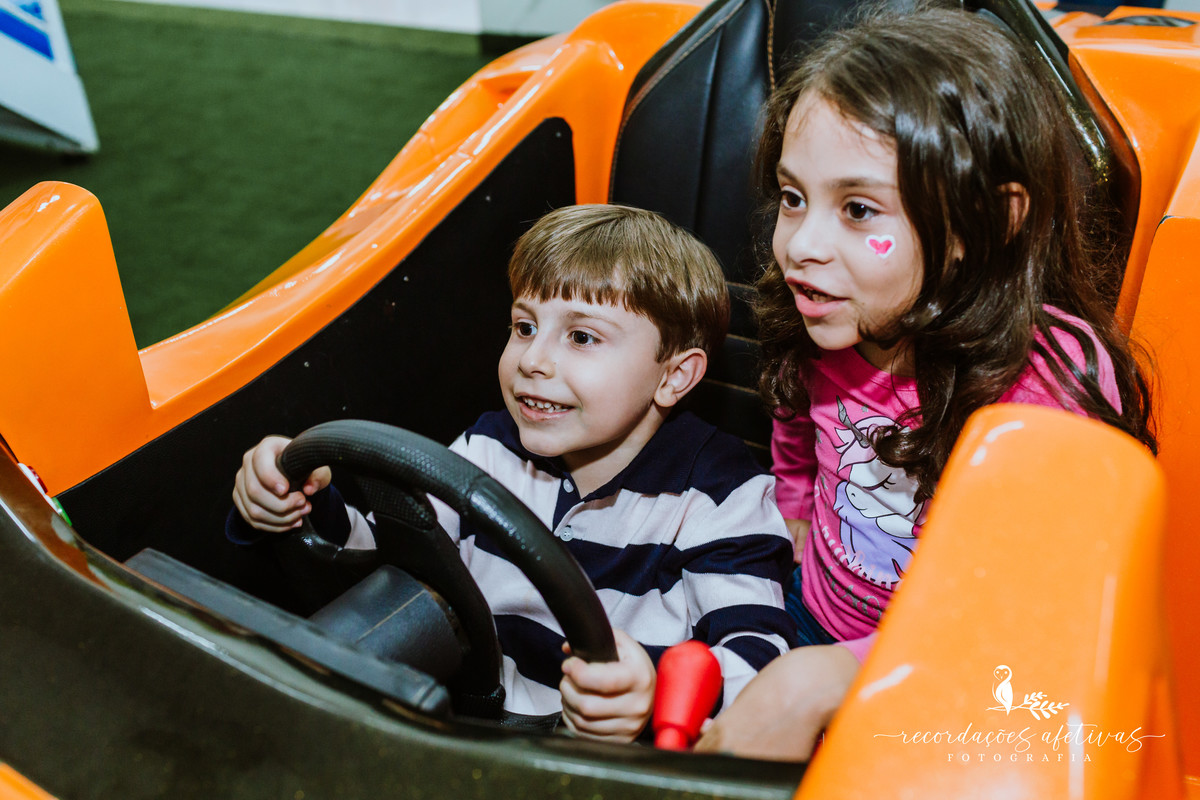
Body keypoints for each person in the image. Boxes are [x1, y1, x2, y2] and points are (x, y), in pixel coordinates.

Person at [694, 4, 1155, 760]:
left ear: (991, 219)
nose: (800, 246)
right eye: (791, 197)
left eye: (859, 209)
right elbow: (796, 425)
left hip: (956, 691)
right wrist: (796, 510)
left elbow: (1032, 623)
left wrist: (835, 679)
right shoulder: (825, 314)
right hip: (814, 623)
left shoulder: (1049, 391)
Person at [229, 203, 797, 742]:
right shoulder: (490, 446)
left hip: (597, 762)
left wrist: (650, 687)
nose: (532, 359)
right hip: (453, 725)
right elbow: (387, 564)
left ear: (674, 377)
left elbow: (758, 660)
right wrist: (298, 503)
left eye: (581, 336)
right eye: (524, 327)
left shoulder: (721, 495)